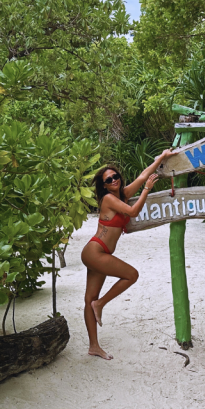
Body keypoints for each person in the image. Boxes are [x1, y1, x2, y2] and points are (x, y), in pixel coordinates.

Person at [82, 150, 173, 360]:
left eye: (115, 176)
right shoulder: (108, 199)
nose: (113, 180)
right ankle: (100, 304)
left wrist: (161, 157)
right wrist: (147, 189)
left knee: (89, 299)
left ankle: (94, 346)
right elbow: (132, 212)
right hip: (95, 251)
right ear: (104, 185)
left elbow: (142, 176)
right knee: (131, 275)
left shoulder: (121, 195)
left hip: (99, 252)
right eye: (108, 180)